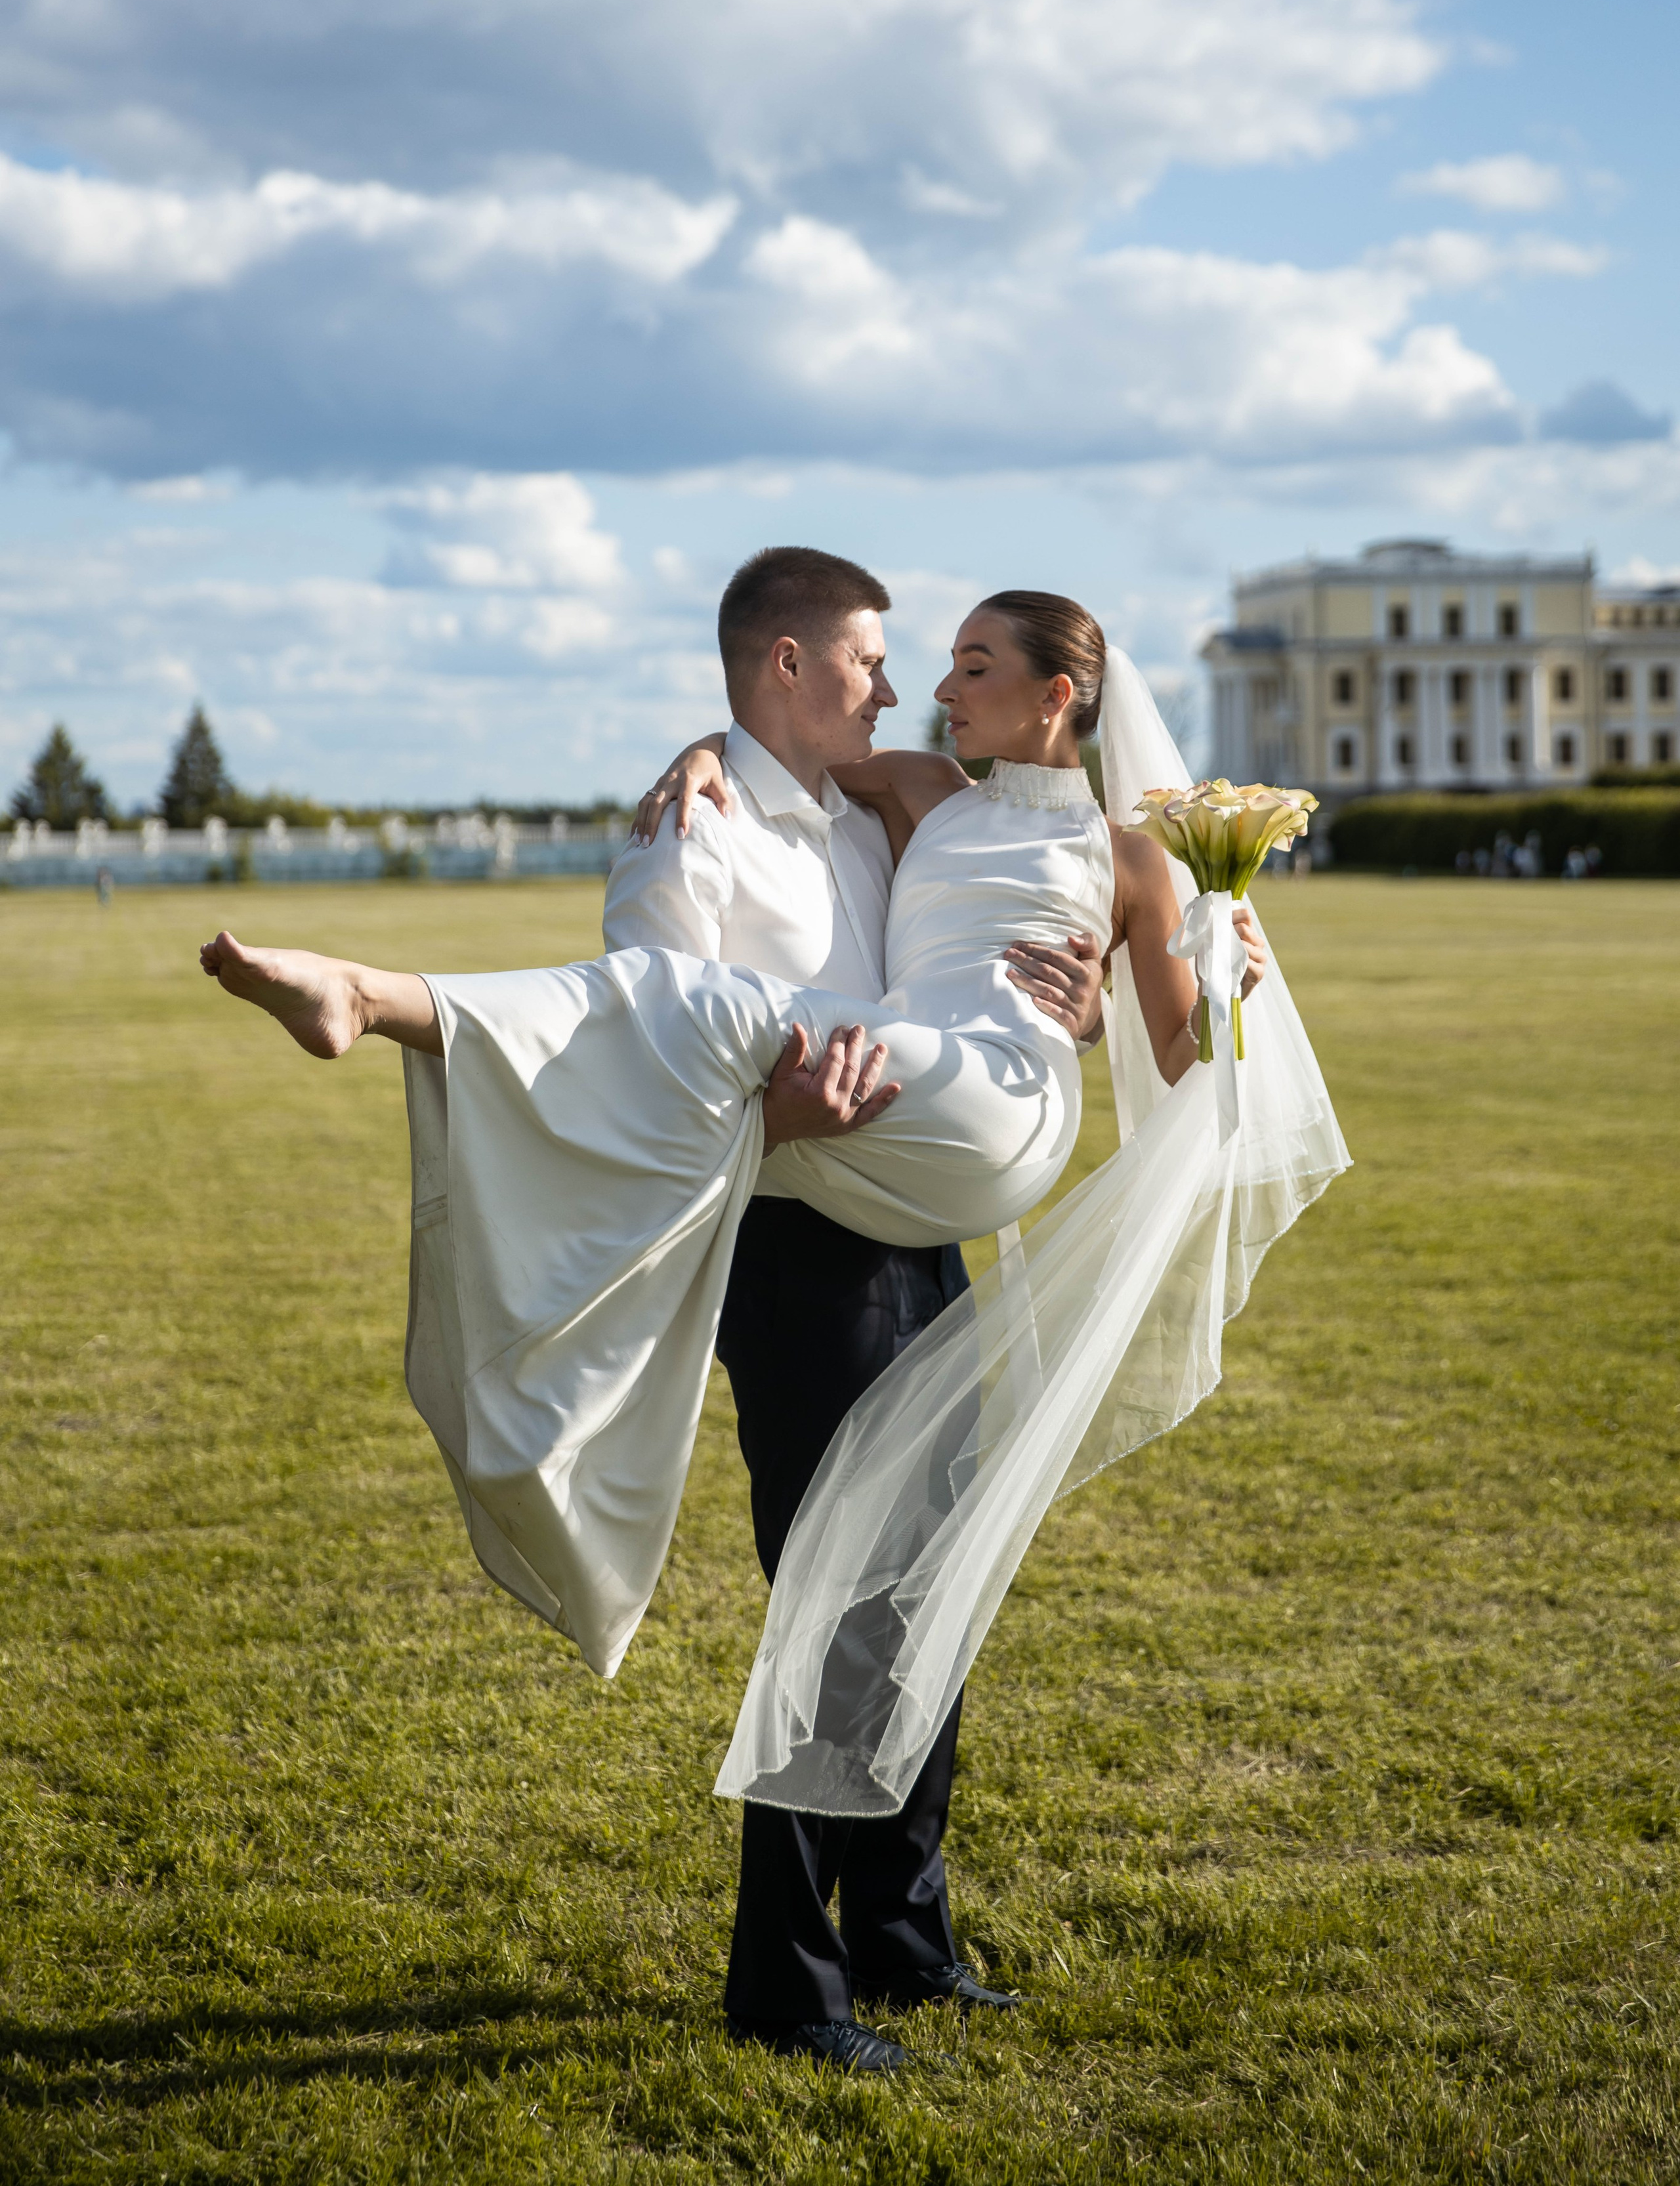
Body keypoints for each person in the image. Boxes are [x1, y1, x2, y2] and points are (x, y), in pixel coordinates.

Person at [199, 559, 1304, 2075]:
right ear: (795, 661)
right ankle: (796, 1986)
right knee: (852, 1593)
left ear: (1059, 695)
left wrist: (1198, 958)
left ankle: (903, 1946)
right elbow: (709, 899)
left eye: (961, 659)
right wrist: (706, 760)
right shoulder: (789, 812)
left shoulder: (1005, 833)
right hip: (812, 1237)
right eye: (890, 655)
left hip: (959, 1156)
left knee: (913, 1590)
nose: (913, 680)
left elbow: (1165, 1036)